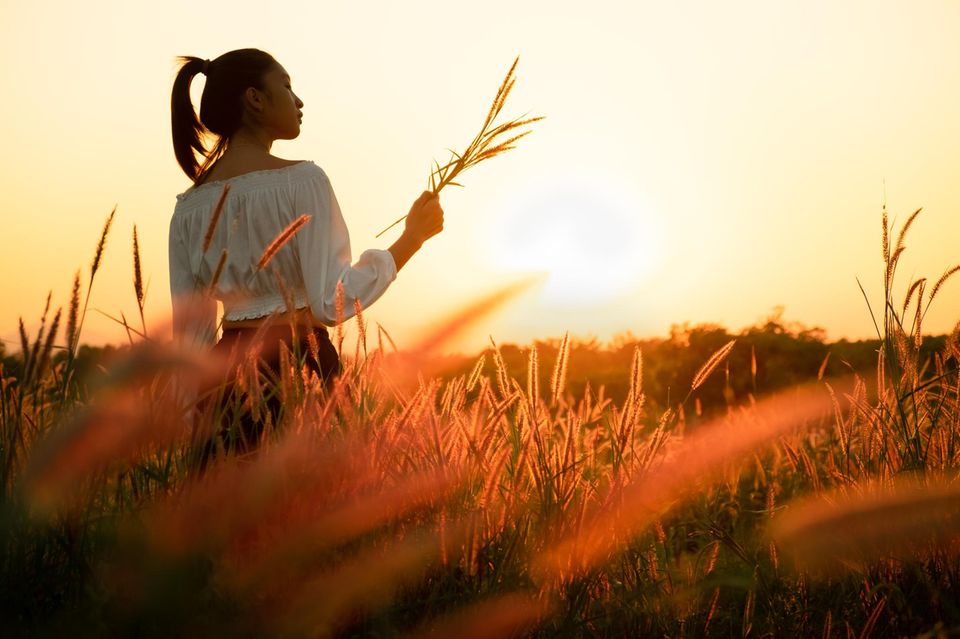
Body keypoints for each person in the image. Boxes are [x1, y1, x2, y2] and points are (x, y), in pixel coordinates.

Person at [168, 48, 443, 463]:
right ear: (254, 98)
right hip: (301, 363)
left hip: (221, 378)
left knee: (231, 518)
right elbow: (330, 300)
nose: (298, 101)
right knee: (309, 514)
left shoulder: (189, 208)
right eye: (286, 85)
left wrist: (195, 420)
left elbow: (190, 337)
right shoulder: (303, 181)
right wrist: (411, 239)